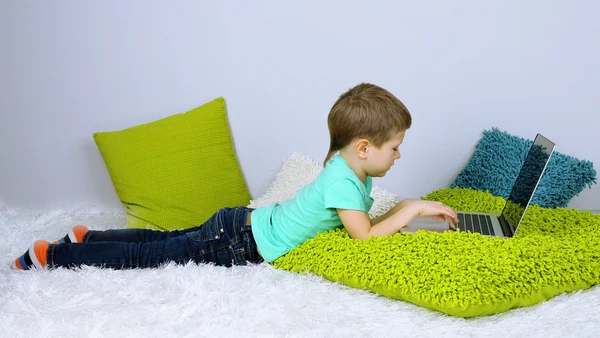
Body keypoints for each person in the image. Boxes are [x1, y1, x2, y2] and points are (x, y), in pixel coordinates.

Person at [11, 83, 459, 271]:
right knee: (148, 258)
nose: (400, 154)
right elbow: (363, 237)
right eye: (395, 146)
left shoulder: (345, 169)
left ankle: (87, 236)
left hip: (240, 223)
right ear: (364, 147)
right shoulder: (346, 182)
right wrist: (412, 209)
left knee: (165, 238)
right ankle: (53, 256)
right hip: (239, 242)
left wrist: (407, 208)